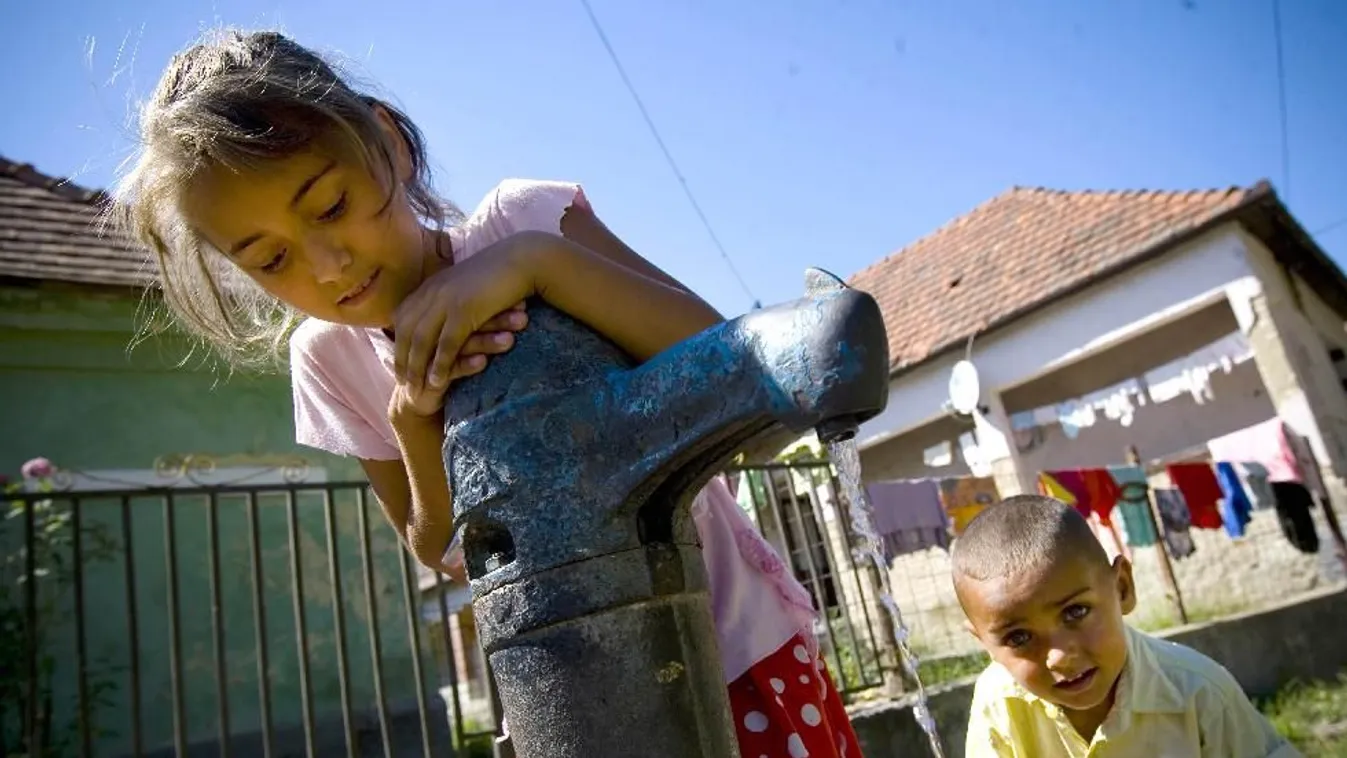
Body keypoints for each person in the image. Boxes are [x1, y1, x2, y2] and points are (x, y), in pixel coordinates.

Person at [111, 28, 862, 757]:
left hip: (740, 651)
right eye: (273, 258)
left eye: (331, 206)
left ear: (388, 146)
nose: (329, 264)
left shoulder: (520, 221)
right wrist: (413, 424)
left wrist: (535, 265)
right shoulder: (329, 361)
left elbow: (721, 362)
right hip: (580, 695)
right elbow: (440, 546)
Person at [953, 495, 1298, 757]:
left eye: (1075, 612)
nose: (1058, 657)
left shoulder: (1199, 691)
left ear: (1122, 588)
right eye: (1019, 637)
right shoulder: (998, 701)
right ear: (985, 644)